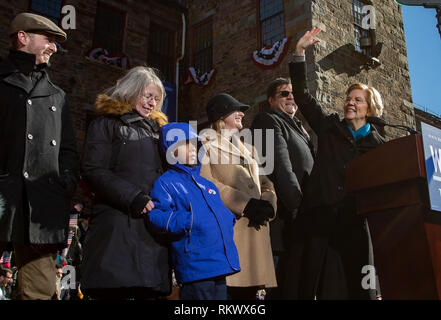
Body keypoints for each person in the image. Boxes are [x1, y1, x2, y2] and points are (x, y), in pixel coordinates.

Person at [285, 27, 385, 299]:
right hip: (318, 221)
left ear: (370, 108)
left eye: (357, 100)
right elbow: (303, 98)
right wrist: (299, 52)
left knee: (351, 289)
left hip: (353, 226)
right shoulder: (330, 128)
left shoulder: (378, 147)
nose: (350, 103)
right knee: (312, 285)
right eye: (348, 99)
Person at [0, 13, 79, 300]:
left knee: (40, 292)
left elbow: (68, 150)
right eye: (48, 40)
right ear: (23, 37)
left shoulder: (57, 95)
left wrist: (63, 184)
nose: (53, 48)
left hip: (41, 205)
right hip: (3, 198)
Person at [80, 66, 170, 300]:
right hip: (116, 228)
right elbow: (93, 169)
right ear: (131, 91)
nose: (152, 103)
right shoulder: (106, 124)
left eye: (157, 99)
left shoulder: (161, 133)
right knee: (115, 289)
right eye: (147, 96)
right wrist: (132, 196)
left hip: (152, 231)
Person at [147, 122, 240, 300]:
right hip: (195, 265)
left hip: (219, 262)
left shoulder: (207, 184)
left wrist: (228, 219)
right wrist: (189, 221)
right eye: (184, 144)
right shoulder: (166, 182)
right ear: (170, 149)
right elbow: (156, 215)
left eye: (194, 144)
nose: (191, 149)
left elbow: (219, 211)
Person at [199, 93, 278, 299]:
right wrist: (246, 204)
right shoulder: (204, 144)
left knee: (252, 296)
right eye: (236, 109)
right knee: (231, 292)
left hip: (256, 229)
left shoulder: (247, 148)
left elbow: (265, 181)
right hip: (232, 230)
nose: (242, 113)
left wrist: (268, 203)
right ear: (220, 115)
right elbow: (207, 183)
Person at [251, 77, 315, 298]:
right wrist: (298, 207)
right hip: (285, 222)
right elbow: (280, 168)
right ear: (270, 100)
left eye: (293, 94)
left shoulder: (299, 128)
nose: (291, 97)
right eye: (284, 94)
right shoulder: (266, 120)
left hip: (303, 222)